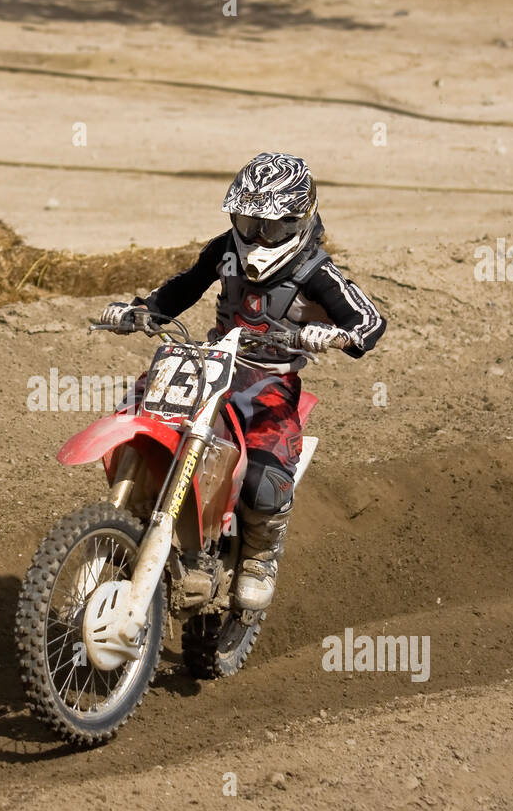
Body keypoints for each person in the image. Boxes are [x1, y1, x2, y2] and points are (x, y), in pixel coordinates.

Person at [99, 152, 386, 611]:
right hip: (211, 364)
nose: (255, 237)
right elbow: (185, 286)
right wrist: (143, 310)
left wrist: (334, 334)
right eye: (247, 222)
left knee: (264, 473)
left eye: (268, 228)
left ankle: (258, 556)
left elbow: (370, 322)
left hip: (269, 382)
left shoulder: (316, 272)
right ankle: (128, 511)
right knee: (139, 407)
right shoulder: (225, 250)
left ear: (297, 221)